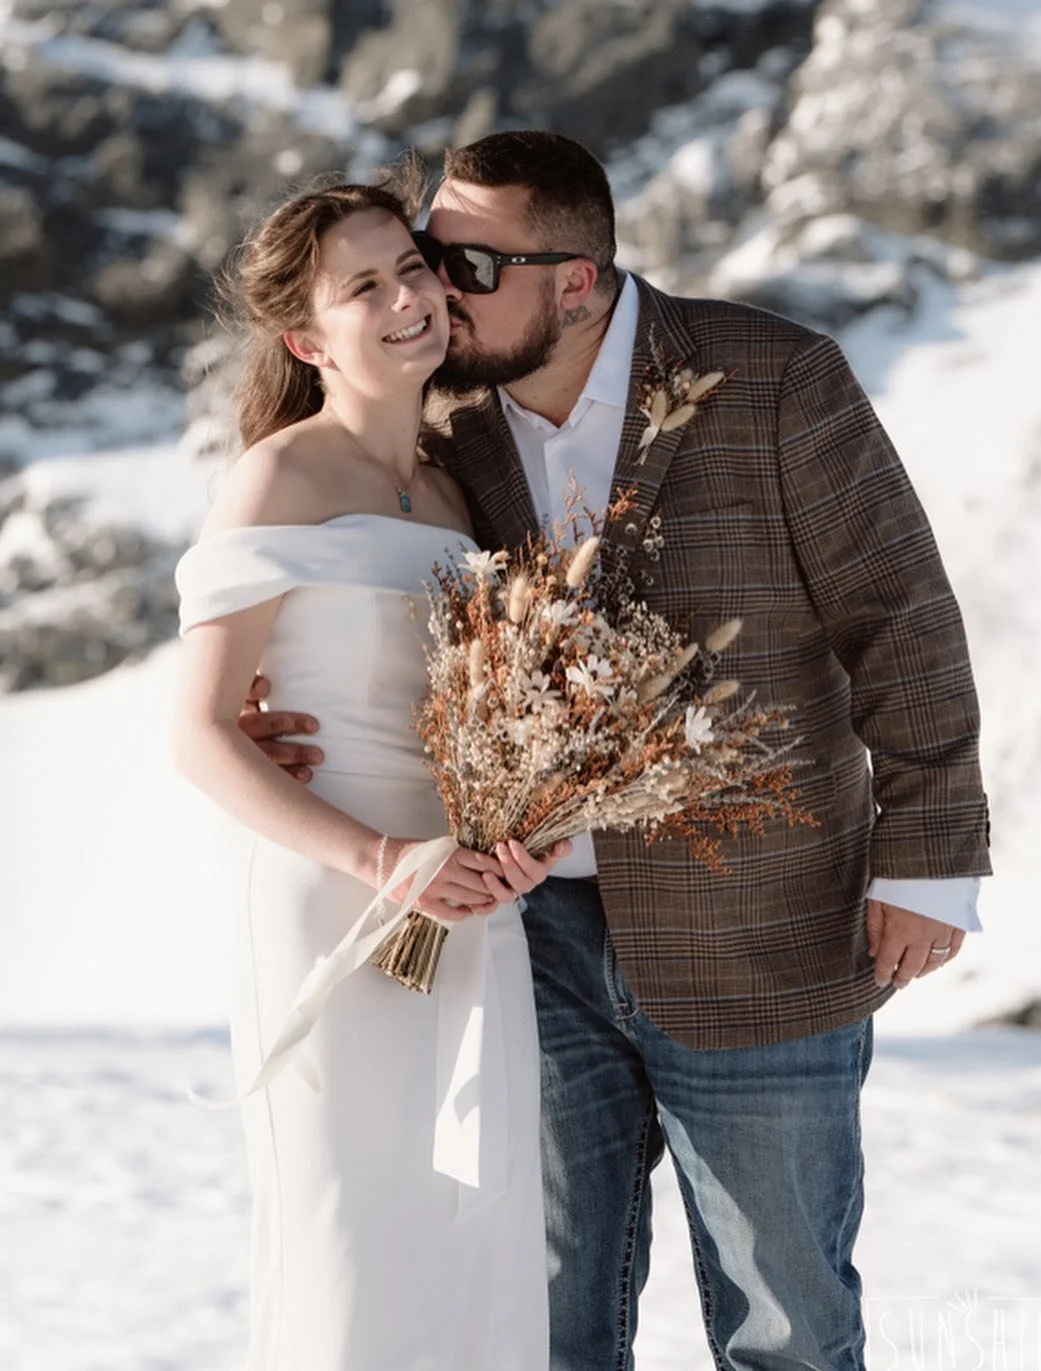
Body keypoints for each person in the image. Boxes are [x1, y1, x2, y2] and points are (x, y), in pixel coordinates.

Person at [242, 133, 992, 1371]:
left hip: (763, 932)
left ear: (574, 280)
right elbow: (362, 583)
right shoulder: (447, 423)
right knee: (545, 1321)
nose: (434, 287)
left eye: (468, 263)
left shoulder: (773, 377)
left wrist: (925, 861)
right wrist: (278, 687)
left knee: (785, 1326)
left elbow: (896, 617)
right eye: (430, 254)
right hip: (525, 949)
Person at [172, 172, 570, 1371]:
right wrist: (384, 860)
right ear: (307, 337)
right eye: (365, 286)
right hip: (336, 894)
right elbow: (198, 731)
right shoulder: (277, 478)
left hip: (468, 904)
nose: (407, 298)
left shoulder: (458, 489)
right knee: (349, 1230)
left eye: (412, 267)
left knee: (474, 1229)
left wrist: (521, 829)